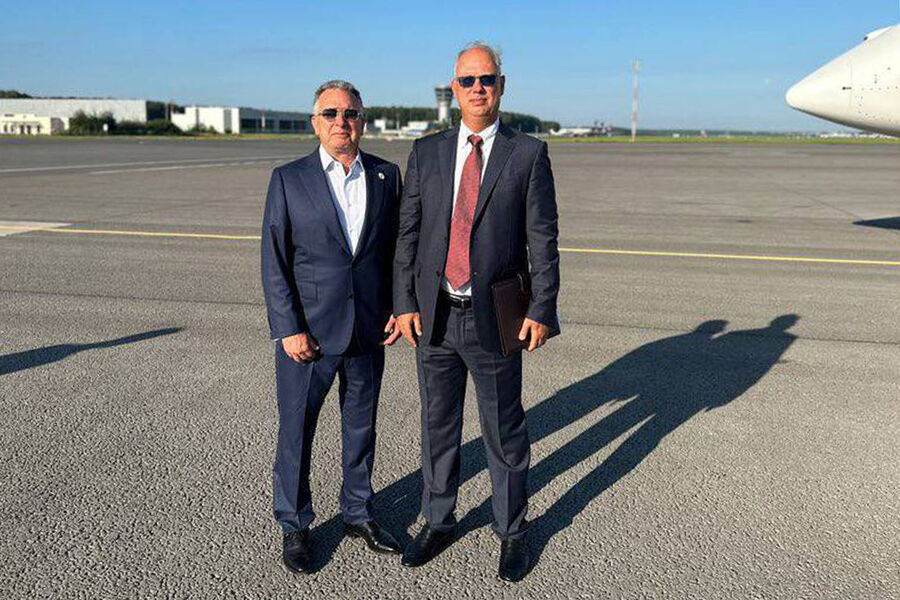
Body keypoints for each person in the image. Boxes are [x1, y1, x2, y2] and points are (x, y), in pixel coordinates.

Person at [393, 42, 560, 582]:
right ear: (454, 87)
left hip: (496, 315)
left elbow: (543, 239)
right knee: (438, 424)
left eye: (487, 79)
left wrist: (541, 307)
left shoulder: (527, 154)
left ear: (502, 86)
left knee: (504, 429)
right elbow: (408, 235)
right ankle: (438, 519)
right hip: (436, 315)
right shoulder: (427, 152)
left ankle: (511, 529)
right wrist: (404, 303)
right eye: (467, 80)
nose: (478, 88)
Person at [261, 79, 404, 574]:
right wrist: (288, 328)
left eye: (351, 114)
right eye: (331, 113)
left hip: (368, 329)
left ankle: (358, 512)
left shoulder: (386, 175)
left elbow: (395, 252)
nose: (342, 122)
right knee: (297, 430)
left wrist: (397, 306)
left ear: (362, 121)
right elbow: (275, 260)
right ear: (315, 122)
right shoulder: (288, 179)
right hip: (309, 336)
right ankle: (295, 523)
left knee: (361, 426)